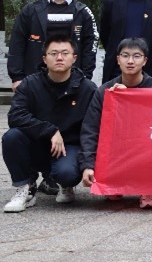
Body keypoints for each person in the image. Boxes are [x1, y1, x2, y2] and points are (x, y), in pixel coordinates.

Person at [3, 34, 97, 213]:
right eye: (53, 53)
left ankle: (64, 184)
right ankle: (26, 187)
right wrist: (50, 130)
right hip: (38, 143)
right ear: (44, 58)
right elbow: (15, 116)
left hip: (69, 147)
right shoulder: (30, 84)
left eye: (64, 53)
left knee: (67, 173)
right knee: (12, 137)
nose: (59, 58)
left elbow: (93, 127)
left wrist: (88, 164)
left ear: (74, 58)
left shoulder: (87, 88)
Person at [79, 37, 152, 209]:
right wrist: (87, 165)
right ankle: (114, 182)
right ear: (118, 59)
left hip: (146, 145)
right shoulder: (104, 91)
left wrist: (130, 99)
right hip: (117, 146)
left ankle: (147, 187)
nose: (130, 61)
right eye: (125, 56)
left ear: (145, 61)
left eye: (136, 56)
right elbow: (90, 129)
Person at [8, 0, 97, 90]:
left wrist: (85, 78)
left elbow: (90, 47)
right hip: (33, 80)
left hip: (73, 82)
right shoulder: (31, 10)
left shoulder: (83, 12)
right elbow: (17, 44)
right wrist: (17, 78)